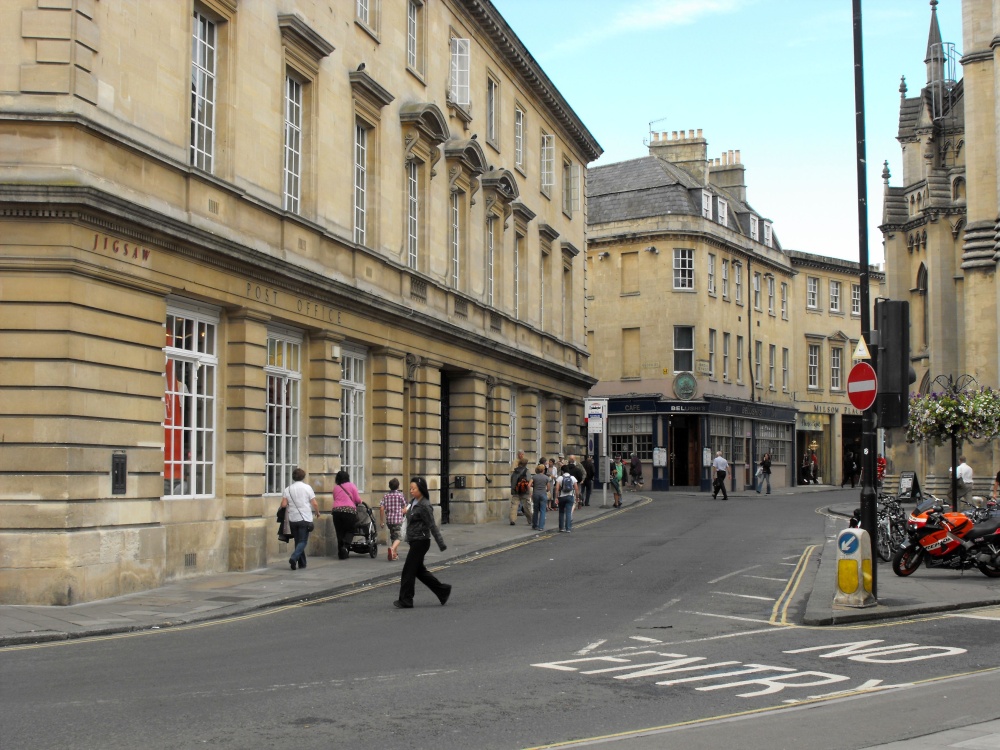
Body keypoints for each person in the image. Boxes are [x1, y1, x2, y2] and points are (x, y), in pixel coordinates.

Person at [394, 476, 450, 609]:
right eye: (411, 488)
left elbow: (432, 525)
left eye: (414, 488)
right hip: (414, 541)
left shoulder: (425, 505)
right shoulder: (413, 502)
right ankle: (443, 591)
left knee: (408, 571)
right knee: (420, 571)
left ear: (421, 489)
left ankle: (406, 600)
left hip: (421, 541)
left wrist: (440, 543)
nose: (411, 491)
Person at [281, 467, 320, 570]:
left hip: (293, 518)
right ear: (303, 477)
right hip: (305, 518)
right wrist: (317, 512)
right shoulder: (307, 488)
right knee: (303, 541)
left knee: (298, 541)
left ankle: (302, 563)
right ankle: (294, 557)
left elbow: (284, 504)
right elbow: (314, 503)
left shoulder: (287, 489)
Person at [331, 469, 363, 559]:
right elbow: (357, 499)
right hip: (349, 511)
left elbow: (335, 498)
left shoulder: (336, 488)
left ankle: (341, 553)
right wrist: (361, 501)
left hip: (336, 511)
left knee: (339, 532)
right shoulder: (352, 486)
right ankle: (345, 546)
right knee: (350, 530)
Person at [379, 478, 406, 562]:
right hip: (397, 519)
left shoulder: (386, 496)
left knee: (394, 537)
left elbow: (381, 508)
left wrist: (381, 521)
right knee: (399, 538)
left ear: (389, 486)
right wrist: (402, 511)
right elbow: (405, 508)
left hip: (389, 520)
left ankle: (394, 554)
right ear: (398, 486)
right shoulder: (400, 495)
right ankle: (392, 548)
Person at [510, 456, 532, 526]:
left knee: (514, 506)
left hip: (516, 490)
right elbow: (529, 480)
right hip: (524, 491)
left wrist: (513, 489)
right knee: (526, 506)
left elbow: (512, 480)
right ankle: (530, 520)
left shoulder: (515, 471)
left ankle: (512, 519)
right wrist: (529, 491)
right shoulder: (527, 471)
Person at [556, 466, 579, 532]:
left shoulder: (560, 478)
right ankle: (568, 528)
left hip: (562, 497)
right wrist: (577, 497)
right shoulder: (573, 478)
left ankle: (561, 528)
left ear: (562, 471)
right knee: (568, 513)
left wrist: (556, 497)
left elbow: (557, 489)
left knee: (561, 512)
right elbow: (576, 488)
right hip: (570, 496)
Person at [531, 463, 549, 530]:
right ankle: (541, 526)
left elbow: (529, 485)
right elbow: (549, 488)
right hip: (543, 494)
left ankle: (534, 525)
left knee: (535, 510)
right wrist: (546, 490)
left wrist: (534, 486)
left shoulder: (534, 477)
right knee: (542, 510)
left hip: (535, 494)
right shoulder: (546, 477)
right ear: (543, 470)